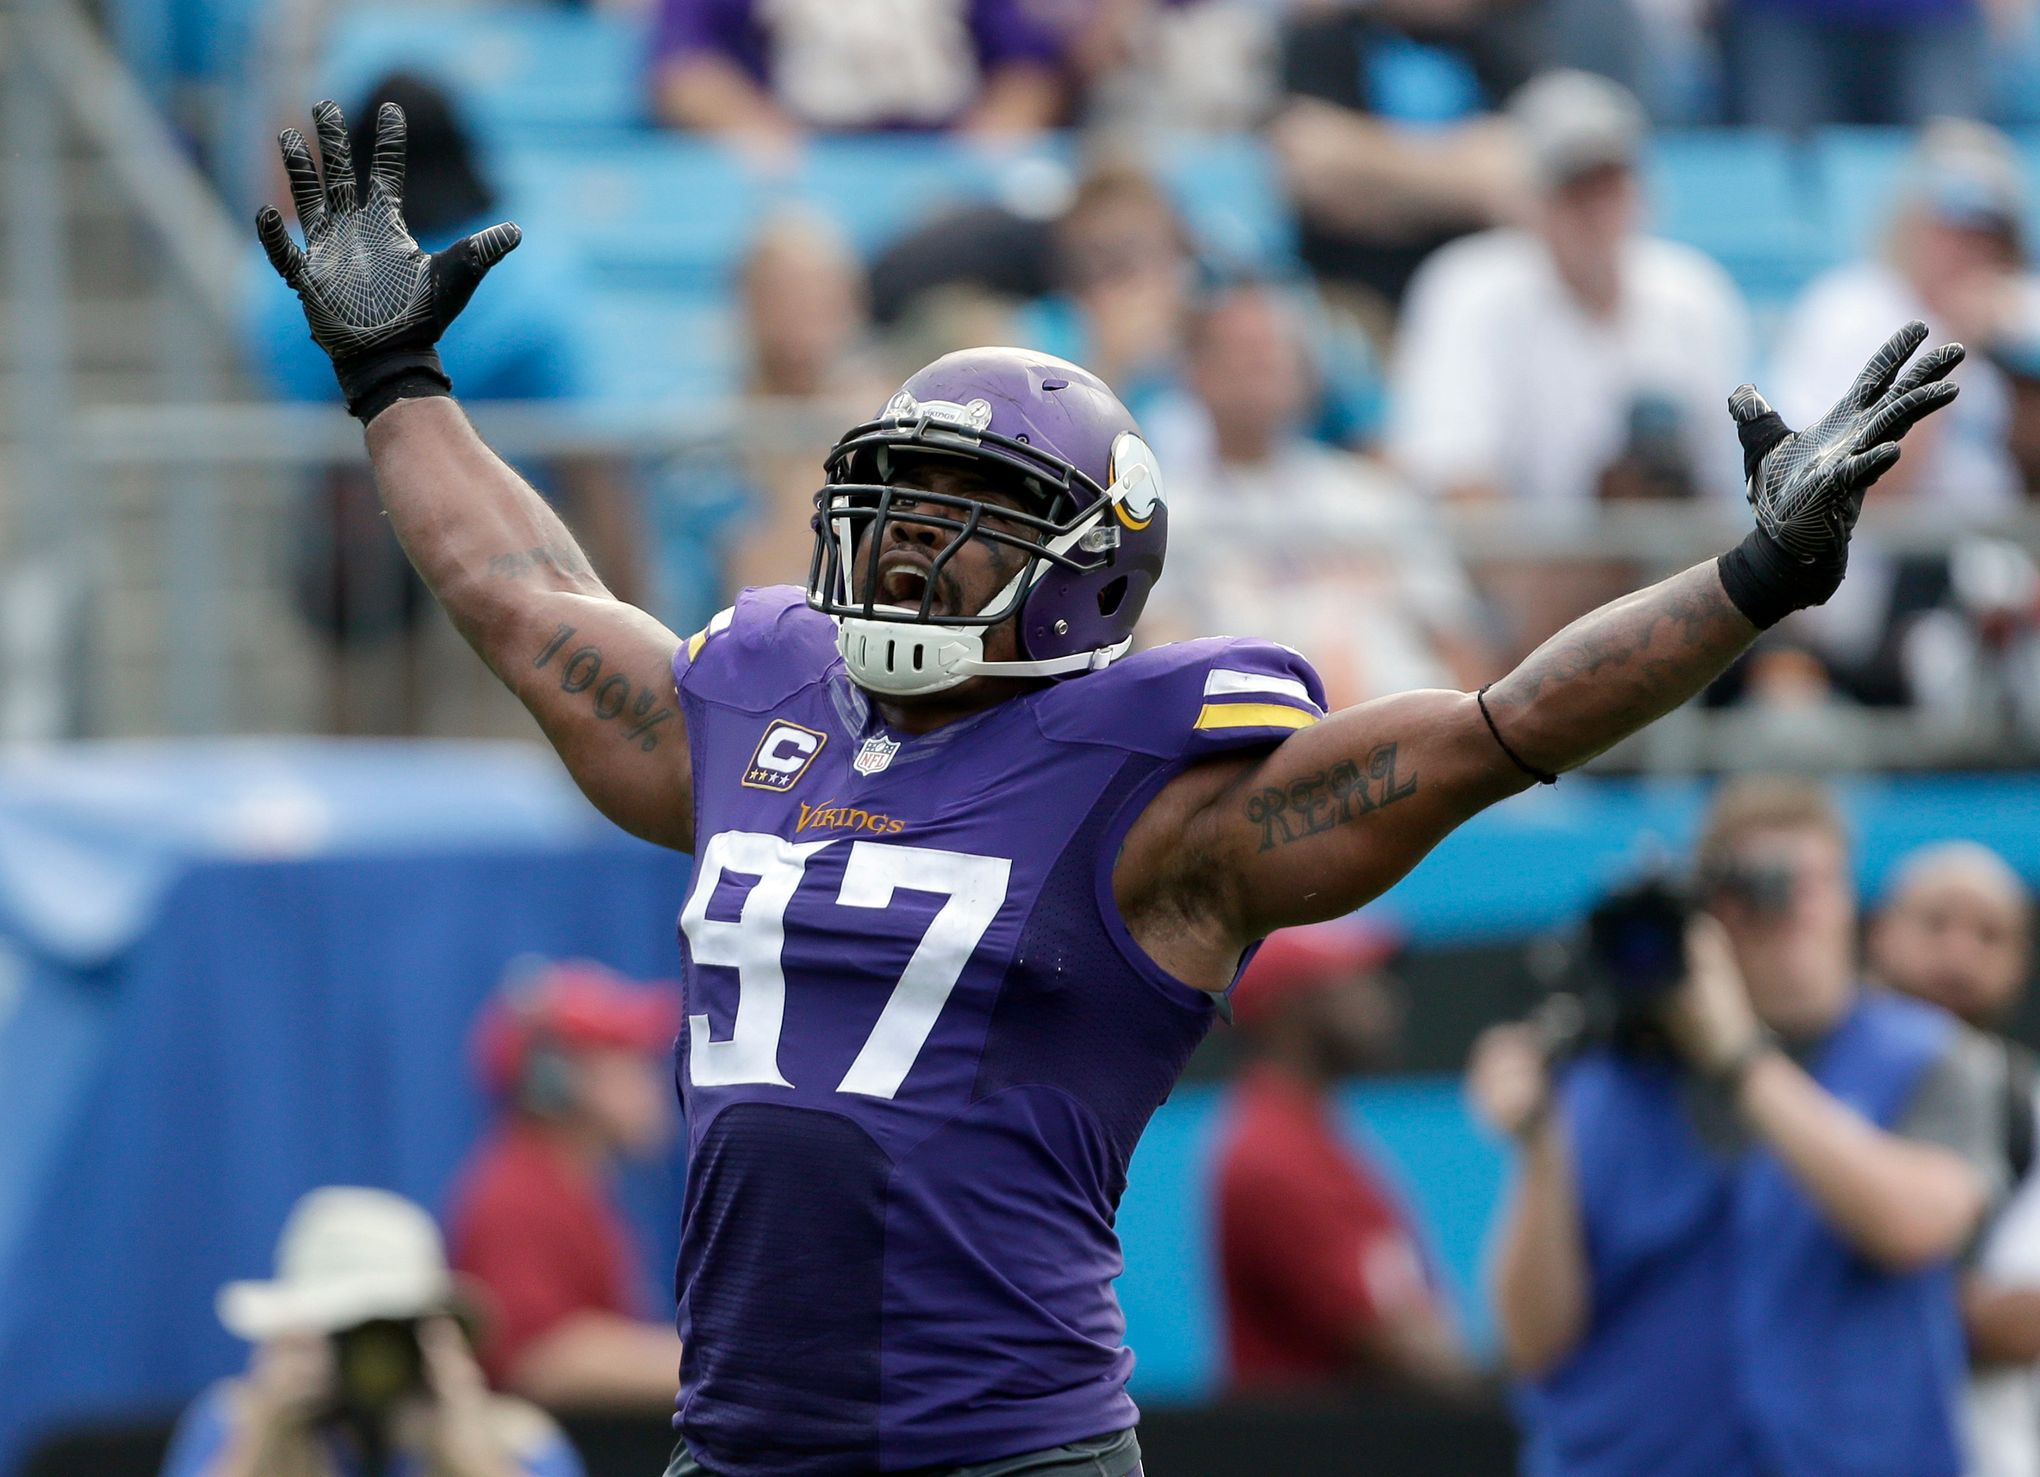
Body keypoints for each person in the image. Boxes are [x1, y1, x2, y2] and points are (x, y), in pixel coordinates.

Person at [254, 96, 1960, 1476]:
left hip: (1006, 1449)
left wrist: (1747, 580)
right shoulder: (758, 703)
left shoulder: (1160, 800)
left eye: (963, 514)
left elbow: (1496, 728)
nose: (907, 545)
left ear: (1085, 571)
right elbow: (525, 595)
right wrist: (395, 381)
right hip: (738, 1446)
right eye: (894, 499)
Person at [1468, 778, 2012, 1477]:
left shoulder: (1930, 1055)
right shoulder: (1607, 1077)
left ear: (1850, 897)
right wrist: (1538, 1143)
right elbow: (1531, 1342)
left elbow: (1916, 1225)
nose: (1784, 910)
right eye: (1751, 887)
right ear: (1707, 911)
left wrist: (1739, 1057)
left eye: (1802, 882)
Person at [246, 72, 643, 734]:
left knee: (371, 780)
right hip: (494, 566)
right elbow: (593, 462)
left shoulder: (298, 285)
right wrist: (631, 609)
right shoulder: (533, 272)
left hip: (381, 562)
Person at [1389, 70, 1750, 653]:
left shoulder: (1695, 295)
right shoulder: (1468, 289)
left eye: (1610, 185)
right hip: (1506, 598)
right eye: (1575, 188)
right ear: (1532, 198)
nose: (1596, 209)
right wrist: (1566, 602)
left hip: (1674, 583)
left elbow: (1722, 488)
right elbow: (1459, 489)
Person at [1143, 280, 1490, 704]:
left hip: (1410, 737)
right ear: (1194, 372)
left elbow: (1457, 640)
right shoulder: (1164, 518)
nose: (1260, 364)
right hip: (1253, 745)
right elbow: (1160, 662)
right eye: (1240, 350)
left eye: (1274, 349)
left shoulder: (1375, 496)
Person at [1215, 921, 1480, 1396]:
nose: (1386, 997)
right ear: (1290, 1009)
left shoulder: (1304, 1138)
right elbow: (1419, 1359)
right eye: (1356, 979)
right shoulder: (1274, 1158)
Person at [159, 1186, 581, 1477]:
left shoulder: (519, 1439)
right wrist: (264, 1437)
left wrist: (466, 1452)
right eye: (342, 1332)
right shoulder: (233, 1422)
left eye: (391, 1331)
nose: (369, 1357)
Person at [446, 961, 685, 1412]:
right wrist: (724, 1371)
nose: (653, 1083)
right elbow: (540, 1359)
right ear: (556, 1082)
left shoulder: (570, 1187)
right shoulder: (517, 1198)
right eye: (627, 1060)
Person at [1872, 842, 2040, 1477]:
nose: (1959, 954)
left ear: (2022, 963)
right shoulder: (1800, 1085)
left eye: (1990, 936)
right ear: (1879, 933)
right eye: (1936, 923)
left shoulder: (2030, 1104)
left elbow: (2024, 1322)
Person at [1271, 0, 1536, 313]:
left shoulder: (1499, 46)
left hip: (1481, 304)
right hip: (1351, 301)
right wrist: (1464, 176)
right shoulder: (1325, 40)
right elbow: (1314, 174)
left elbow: (1516, 180)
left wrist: (1363, 163)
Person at [649, 0, 1066, 151]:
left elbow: (1027, 70)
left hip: (941, 154)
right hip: (801, 157)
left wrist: (983, 151)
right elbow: (682, 69)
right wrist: (759, 131)